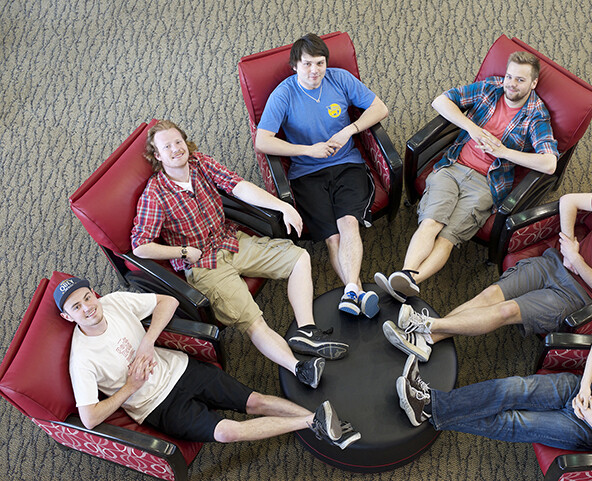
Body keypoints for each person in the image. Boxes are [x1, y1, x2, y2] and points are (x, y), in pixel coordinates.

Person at [131, 120, 348, 389]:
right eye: (167, 146)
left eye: (178, 142)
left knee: (299, 258)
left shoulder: (199, 163)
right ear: (157, 156)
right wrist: (184, 251)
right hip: (204, 265)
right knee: (253, 320)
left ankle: (306, 332)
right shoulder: (154, 194)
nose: (176, 149)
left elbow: (238, 186)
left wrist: (282, 207)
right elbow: (140, 245)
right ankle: (299, 368)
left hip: (230, 240)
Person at [383, 181, 592, 362]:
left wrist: (577, 260)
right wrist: (568, 241)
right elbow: (569, 200)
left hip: (576, 294)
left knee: (505, 312)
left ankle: (428, 327)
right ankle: (429, 338)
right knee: (490, 293)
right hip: (553, 262)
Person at [55, 276, 360, 448]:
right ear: (67, 316)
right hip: (158, 407)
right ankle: (314, 421)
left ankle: (325, 423)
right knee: (228, 431)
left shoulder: (112, 303)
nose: (87, 308)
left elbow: (168, 301)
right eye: (76, 307)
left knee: (255, 402)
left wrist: (148, 341)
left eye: (87, 298)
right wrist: (129, 388)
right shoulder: (82, 359)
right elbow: (89, 419)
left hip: (182, 370)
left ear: (94, 295)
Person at [374, 51, 559, 302]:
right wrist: (472, 128)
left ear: (533, 83)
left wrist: (503, 151)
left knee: (448, 237)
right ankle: (405, 279)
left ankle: (408, 280)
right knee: (432, 222)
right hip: (453, 166)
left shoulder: (536, 115)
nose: (511, 84)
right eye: (509, 76)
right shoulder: (491, 88)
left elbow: (549, 163)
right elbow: (441, 101)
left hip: (487, 183)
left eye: (520, 80)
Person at [395, 330, 592, 466]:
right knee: (513, 388)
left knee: (513, 422)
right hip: (582, 392)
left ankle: (431, 407)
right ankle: (432, 407)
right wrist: (585, 387)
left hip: (589, 430)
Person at [254, 33, 390, 318]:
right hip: (307, 173)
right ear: (295, 65)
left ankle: (351, 291)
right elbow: (262, 141)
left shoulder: (339, 79)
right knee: (332, 238)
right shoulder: (284, 93)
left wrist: (349, 130)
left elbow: (380, 108)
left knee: (348, 223)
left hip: (347, 164)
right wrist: (308, 150)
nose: (314, 70)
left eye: (319, 63)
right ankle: (356, 291)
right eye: (306, 64)